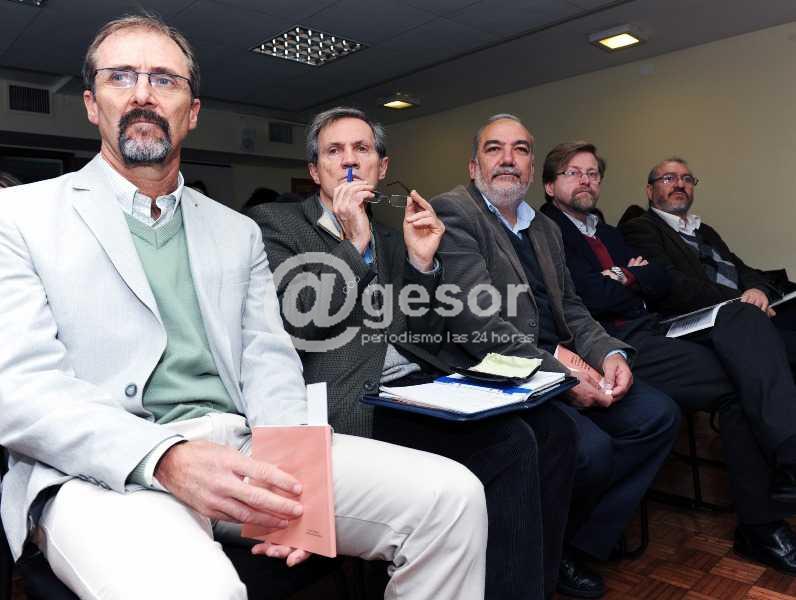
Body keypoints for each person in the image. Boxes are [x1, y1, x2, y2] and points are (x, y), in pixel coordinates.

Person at [0, 15, 488, 600]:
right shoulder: (21, 217)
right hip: (102, 467)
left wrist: (296, 473)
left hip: (242, 446)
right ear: (90, 103)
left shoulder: (235, 231)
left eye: (164, 79)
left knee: (452, 499)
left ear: (192, 111)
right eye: (121, 76)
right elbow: (19, 388)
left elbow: (269, 360)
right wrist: (166, 457)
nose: (143, 94)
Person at [254, 106, 577, 600]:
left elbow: (422, 332)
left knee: (554, 428)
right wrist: (352, 243)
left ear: (381, 166)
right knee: (509, 445)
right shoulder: (275, 224)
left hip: (417, 386)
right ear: (315, 171)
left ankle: (532, 583)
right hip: (351, 399)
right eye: (334, 151)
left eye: (362, 149)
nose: (349, 161)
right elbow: (297, 320)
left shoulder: (390, 237)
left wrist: (423, 265)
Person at [431, 114, 680, 599]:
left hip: (565, 358)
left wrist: (610, 353)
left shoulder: (543, 227)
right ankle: (544, 548)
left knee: (657, 415)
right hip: (505, 369)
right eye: (494, 149)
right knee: (590, 451)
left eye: (521, 150)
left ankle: (571, 540)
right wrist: (562, 376)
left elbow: (572, 307)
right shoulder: (455, 213)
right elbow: (477, 325)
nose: (508, 159)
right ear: (474, 165)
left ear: (531, 168)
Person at [540, 141, 796, 574]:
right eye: (573, 173)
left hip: (653, 328)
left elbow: (658, 280)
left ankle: (774, 491)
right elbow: (588, 296)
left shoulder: (607, 230)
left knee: (743, 324)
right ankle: (764, 516)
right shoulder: (547, 231)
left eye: (593, 173)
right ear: (549, 186)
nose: (586, 180)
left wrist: (626, 276)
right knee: (742, 383)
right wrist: (633, 275)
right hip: (610, 343)